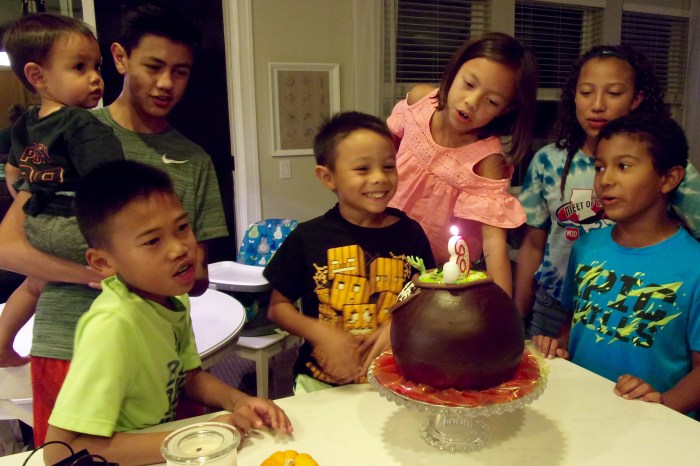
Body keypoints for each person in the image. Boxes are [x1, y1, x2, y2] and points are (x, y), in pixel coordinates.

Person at [0, 3, 227, 446]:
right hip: (68, 341)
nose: (166, 83)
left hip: (158, 350)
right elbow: (8, 245)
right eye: (153, 66)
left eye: (180, 72)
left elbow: (196, 277)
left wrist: (179, 266)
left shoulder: (194, 160)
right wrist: (99, 274)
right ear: (121, 58)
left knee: (176, 449)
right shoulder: (67, 128)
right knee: (74, 454)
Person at [43, 160, 291, 465]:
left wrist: (238, 400)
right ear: (103, 262)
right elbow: (59, 452)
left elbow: (188, 377)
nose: (179, 248)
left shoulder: (172, 297)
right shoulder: (113, 325)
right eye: (152, 241)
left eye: (182, 228)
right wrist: (193, 437)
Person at [515, 45, 700, 338]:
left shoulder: (665, 166)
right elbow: (533, 245)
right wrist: (517, 316)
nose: (597, 105)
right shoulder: (548, 161)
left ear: (636, 99)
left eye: (613, 93)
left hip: (632, 308)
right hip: (553, 307)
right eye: (586, 92)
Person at [533, 113, 700, 417]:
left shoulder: (694, 265)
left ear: (668, 178)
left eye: (623, 166)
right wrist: (557, 345)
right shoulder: (585, 247)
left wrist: (663, 404)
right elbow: (574, 321)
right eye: (600, 167)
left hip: (652, 428)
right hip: (581, 411)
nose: (605, 179)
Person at [264, 111, 435, 394]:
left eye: (388, 166)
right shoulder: (308, 237)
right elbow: (277, 307)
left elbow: (428, 298)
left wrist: (398, 326)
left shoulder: (410, 233)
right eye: (363, 169)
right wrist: (318, 332)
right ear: (327, 177)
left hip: (395, 378)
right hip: (321, 383)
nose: (380, 178)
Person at [0, 13, 124, 371]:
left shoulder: (26, 123)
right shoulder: (81, 123)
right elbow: (110, 183)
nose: (95, 77)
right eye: (79, 67)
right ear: (37, 76)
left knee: (34, 283)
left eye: (96, 66)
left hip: (36, 222)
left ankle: (2, 342)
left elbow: (14, 171)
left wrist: (31, 201)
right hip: (72, 223)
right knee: (135, 269)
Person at [387, 32, 537, 296]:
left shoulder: (487, 161)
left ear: (505, 109)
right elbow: (385, 158)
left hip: (438, 278)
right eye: (469, 84)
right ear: (455, 69)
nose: (472, 102)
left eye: (492, 101)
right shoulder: (419, 102)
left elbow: (494, 245)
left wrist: (505, 311)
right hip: (384, 246)